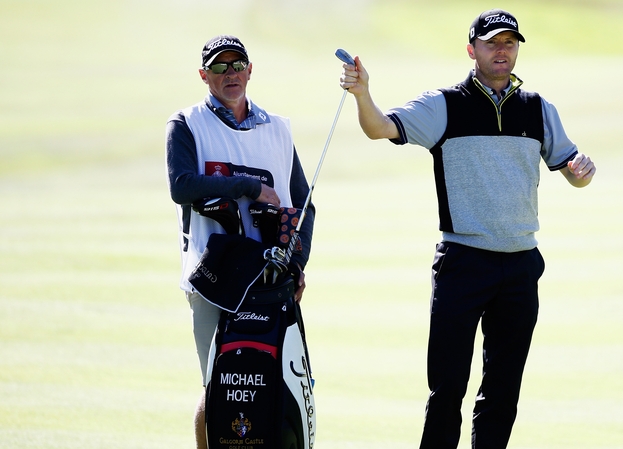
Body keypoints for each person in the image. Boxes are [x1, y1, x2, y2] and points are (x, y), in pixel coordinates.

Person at [339, 9, 596, 449]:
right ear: (471, 49)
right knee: (447, 389)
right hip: (464, 261)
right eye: (493, 42)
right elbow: (379, 128)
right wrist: (363, 94)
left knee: (502, 391)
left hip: (520, 265)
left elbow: (570, 168)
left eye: (510, 43)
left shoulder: (537, 108)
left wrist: (580, 172)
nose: (502, 50)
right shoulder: (444, 105)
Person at [165, 35, 315, 449]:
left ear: (250, 70)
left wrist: (297, 261)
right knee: (216, 384)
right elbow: (182, 186)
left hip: (269, 279)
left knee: (269, 382)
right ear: (203, 75)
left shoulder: (278, 128)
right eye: (218, 67)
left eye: (237, 65)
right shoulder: (186, 123)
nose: (229, 74)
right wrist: (247, 185)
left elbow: (303, 205)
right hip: (213, 278)